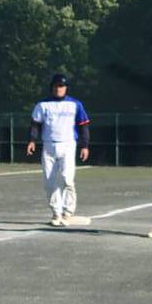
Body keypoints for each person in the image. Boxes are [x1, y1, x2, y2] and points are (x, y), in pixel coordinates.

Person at [26, 73, 90, 227]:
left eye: (61, 86)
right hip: (48, 145)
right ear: (51, 87)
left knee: (67, 179)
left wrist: (85, 145)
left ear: (66, 88)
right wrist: (32, 141)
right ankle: (56, 212)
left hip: (68, 144)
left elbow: (83, 125)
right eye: (55, 86)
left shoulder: (75, 104)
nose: (58, 89)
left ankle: (68, 212)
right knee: (49, 182)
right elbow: (35, 124)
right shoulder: (42, 104)